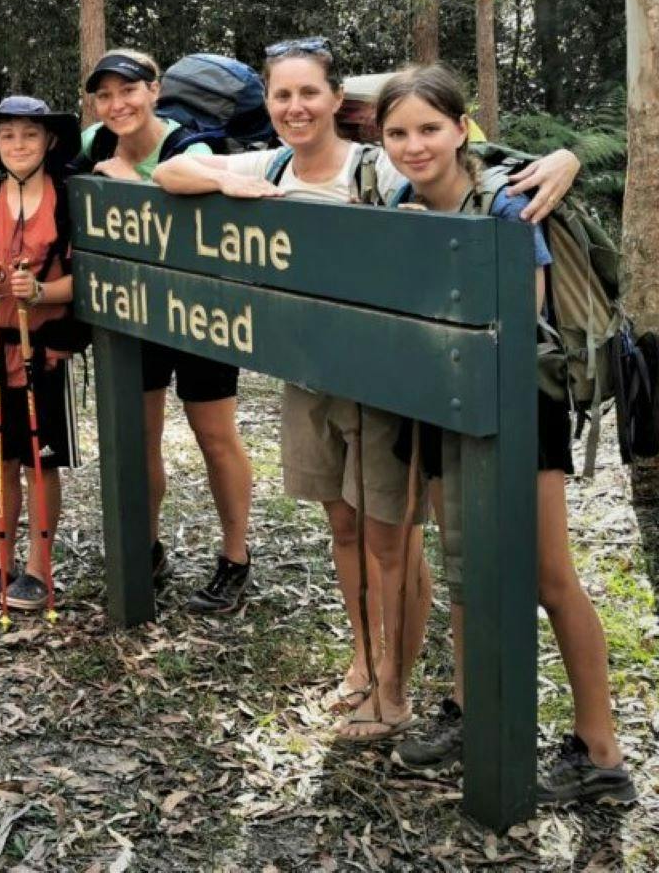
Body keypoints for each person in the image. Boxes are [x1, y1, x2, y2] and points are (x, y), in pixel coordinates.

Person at [154, 38, 583, 741]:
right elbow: (172, 171)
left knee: (393, 542)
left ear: (334, 99)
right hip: (309, 374)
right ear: (268, 103)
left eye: (308, 93)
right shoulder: (267, 163)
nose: (295, 107)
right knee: (343, 527)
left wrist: (566, 159)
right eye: (282, 95)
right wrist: (227, 182)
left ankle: (395, 686)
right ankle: (363, 663)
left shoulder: (379, 164)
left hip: (385, 384)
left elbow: (469, 158)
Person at [372, 63, 635, 805]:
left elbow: (519, 315)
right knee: (464, 567)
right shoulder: (397, 199)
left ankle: (601, 750)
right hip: (439, 400)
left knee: (549, 574)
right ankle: (469, 705)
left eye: (430, 129)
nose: (415, 145)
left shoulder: (505, 201)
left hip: (521, 404)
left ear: (462, 129)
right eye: (399, 132)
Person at [80, 49, 257, 614]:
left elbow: (198, 194)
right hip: (135, 309)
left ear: (155, 90)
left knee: (215, 435)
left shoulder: (190, 145)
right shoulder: (95, 142)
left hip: (200, 308)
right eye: (104, 95)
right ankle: (146, 546)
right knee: (141, 435)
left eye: (128, 91)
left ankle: (235, 557)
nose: (116, 105)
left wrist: (134, 182)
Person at [0, 95, 81, 612]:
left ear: (49, 140)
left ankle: (39, 568)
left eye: (30, 134)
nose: (19, 145)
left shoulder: (69, 198)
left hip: (45, 352)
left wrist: (42, 294)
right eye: (8, 135)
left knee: (39, 460)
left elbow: (87, 281)